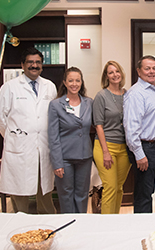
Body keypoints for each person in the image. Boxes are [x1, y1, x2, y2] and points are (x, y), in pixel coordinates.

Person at [0, 47, 57, 214]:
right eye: (30, 62)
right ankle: (20, 232)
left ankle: (47, 230)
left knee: (45, 194)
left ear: (42, 65)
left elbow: (53, 116)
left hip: (43, 148)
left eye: (38, 62)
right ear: (22, 65)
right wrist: (14, 136)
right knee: (20, 198)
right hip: (20, 149)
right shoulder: (10, 87)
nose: (34, 65)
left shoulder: (49, 86)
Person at [123, 55, 155, 213]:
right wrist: (139, 154)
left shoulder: (154, 90)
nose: (152, 71)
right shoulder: (136, 93)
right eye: (147, 68)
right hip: (144, 148)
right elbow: (131, 127)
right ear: (138, 71)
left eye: (154, 68)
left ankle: (146, 226)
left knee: (147, 191)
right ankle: (142, 231)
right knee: (143, 194)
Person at [48, 67, 93, 213]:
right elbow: (53, 136)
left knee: (82, 194)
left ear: (81, 83)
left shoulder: (89, 103)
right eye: (71, 80)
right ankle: (68, 227)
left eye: (77, 80)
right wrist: (57, 162)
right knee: (66, 194)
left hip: (84, 156)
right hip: (64, 158)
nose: (74, 84)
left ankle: (81, 225)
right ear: (65, 83)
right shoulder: (56, 105)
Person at [93, 61, 131, 214]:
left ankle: (115, 221)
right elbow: (98, 125)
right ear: (106, 76)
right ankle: (105, 225)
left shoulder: (127, 94)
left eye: (117, 71)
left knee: (119, 187)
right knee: (110, 187)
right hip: (105, 146)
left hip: (124, 148)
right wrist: (106, 151)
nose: (115, 75)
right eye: (111, 72)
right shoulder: (101, 96)